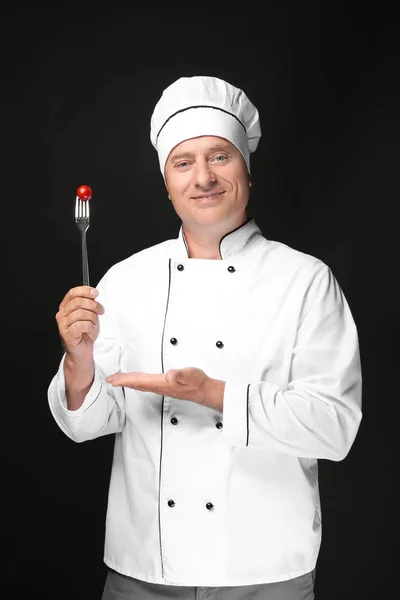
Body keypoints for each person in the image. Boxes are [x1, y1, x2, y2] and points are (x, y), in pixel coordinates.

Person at [48, 75, 363, 600]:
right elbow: (88, 425)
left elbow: (336, 427)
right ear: (166, 183)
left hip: (264, 574)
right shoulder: (125, 279)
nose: (203, 177)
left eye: (219, 156)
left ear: (246, 169)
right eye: (183, 162)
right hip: (145, 570)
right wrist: (78, 361)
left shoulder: (305, 280)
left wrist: (214, 395)